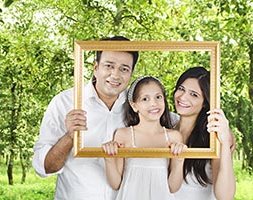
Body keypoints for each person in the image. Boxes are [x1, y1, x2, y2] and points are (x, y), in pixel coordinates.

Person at [32, 36, 139, 200]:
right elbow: (45, 168)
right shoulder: (65, 102)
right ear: (96, 67)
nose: (115, 75)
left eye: (124, 69)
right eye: (109, 66)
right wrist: (69, 136)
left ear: (131, 73)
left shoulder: (140, 107)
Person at [102, 76, 187, 200]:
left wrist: (180, 160)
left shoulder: (173, 136)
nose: (153, 103)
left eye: (158, 97)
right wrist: (108, 159)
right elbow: (116, 184)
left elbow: (173, 187)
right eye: (145, 99)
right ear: (134, 106)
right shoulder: (123, 135)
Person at [172, 67, 236, 200]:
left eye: (194, 94)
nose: (183, 97)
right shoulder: (167, 126)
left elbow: (225, 196)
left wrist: (224, 143)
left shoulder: (212, 138)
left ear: (205, 103)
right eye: (181, 89)